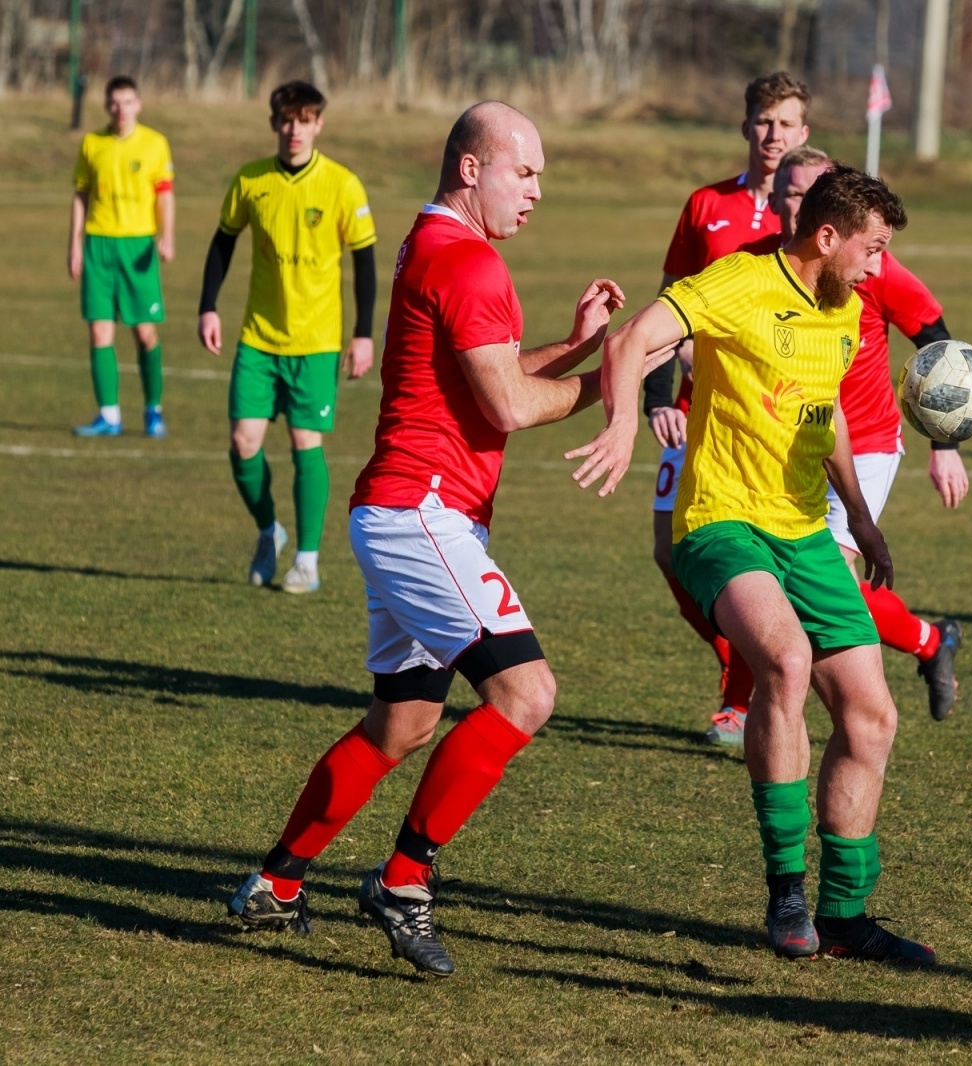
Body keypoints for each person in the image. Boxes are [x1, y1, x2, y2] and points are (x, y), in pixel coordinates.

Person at [228, 102, 664, 977]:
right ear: (472, 170)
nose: (538, 191)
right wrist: (617, 377)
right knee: (527, 694)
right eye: (525, 171)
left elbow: (483, 378)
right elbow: (506, 407)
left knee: (402, 723)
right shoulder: (468, 260)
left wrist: (578, 347)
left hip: (401, 514)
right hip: (423, 515)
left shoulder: (432, 244)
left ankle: (274, 885)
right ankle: (404, 882)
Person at [569, 165, 936, 965]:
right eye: (872, 249)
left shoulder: (844, 309)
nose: (880, 268)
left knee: (873, 716)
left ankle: (845, 916)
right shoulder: (735, 282)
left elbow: (826, 410)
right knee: (785, 658)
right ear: (827, 236)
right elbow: (634, 340)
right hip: (722, 523)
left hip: (806, 530)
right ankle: (786, 896)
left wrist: (864, 520)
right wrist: (626, 422)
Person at [644, 71, 811, 745]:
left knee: (758, 554)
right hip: (692, 407)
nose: (774, 135)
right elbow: (666, 304)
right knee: (667, 551)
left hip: (764, 413)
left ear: (804, 133)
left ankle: (751, 694)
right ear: (746, 128)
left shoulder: (813, 211)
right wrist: (659, 396)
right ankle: (740, 656)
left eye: (787, 124)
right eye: (764, 121)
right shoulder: (704, 205)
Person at [773, 147, 965, 721]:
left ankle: (846, 714)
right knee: (784, 579)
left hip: (868, 444)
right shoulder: (758, 263)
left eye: (810, 193)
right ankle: (932, 642)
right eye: (788, 192)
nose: (797, 204)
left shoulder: (875, 268)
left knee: (826, 577)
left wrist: (945, 443)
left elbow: (938, 344)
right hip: (793, 443)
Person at [197, 81, 378, 594]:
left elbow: (365, 263)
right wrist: (208, 306)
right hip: (258, 338)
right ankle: (267, 529)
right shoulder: (251, 180)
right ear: (274, 123)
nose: (294, 129)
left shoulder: (343, 185)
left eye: (304, 120)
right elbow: (222, 243)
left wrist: (363, 335)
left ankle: (307, 558)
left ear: (319, 124)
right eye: (286, 120)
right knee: (242, 443)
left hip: (317, 342)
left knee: (305, 442)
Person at [68, 75, 174, 438]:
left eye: (127, 101)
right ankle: (109, 415)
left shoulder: (155, 144)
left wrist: (167, 237)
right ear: (106, 105)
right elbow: (81, 195)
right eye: (114, 102)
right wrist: (74, 245)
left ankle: (153, 409)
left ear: (138, 105)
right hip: (98, 244)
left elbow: (165, 196)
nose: (121, 109)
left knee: (145, 334)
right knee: (99, 331)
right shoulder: (92, 143)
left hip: (138, 245)